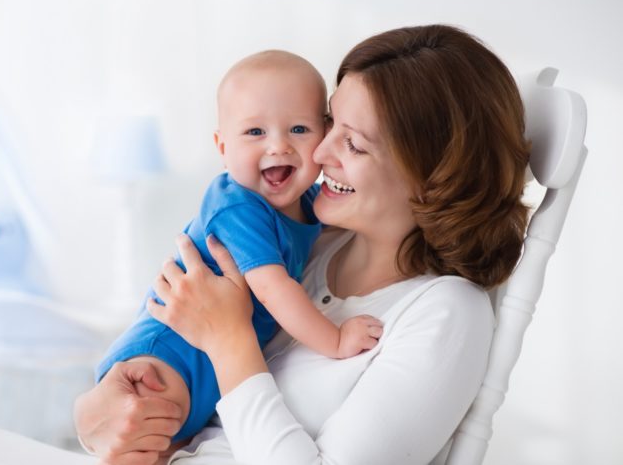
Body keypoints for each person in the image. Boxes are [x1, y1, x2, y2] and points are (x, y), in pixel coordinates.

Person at [74, 24, 531, 465]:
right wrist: (96, 418)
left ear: (432, 178)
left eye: (351, 143)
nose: (317, 152)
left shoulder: (446, 313)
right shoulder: (304, 243)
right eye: (329, 123)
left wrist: (228, 339)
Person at [92, 50, 384, 445]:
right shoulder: (237, 206)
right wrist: (335, 340)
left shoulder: (312, 203)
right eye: (254, 133)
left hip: (211, 367)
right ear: (222, 146)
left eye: (299, 129)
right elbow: (273, 289)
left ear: (324, 132)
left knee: (164, 447)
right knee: (143, 437)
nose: (278, 146)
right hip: (167, 355)